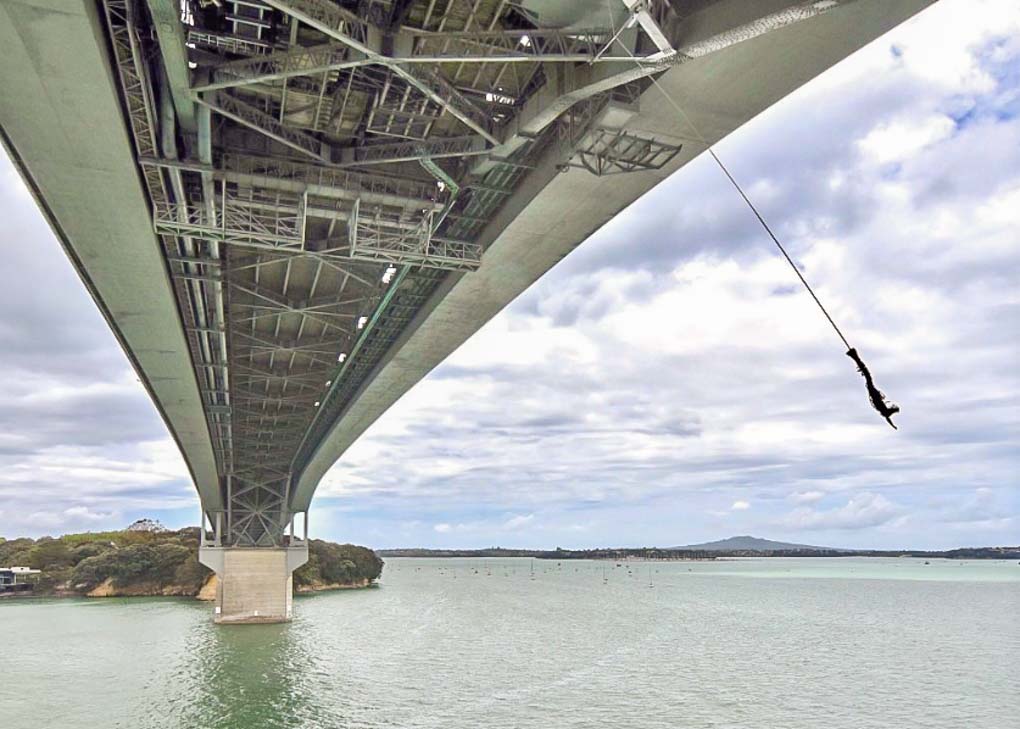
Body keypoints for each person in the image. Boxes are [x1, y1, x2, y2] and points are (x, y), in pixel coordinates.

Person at [846, 348, 899, 429]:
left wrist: (893, 425)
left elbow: (888, 419)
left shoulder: (886, 412)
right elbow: (888, 419)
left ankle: (854, 355)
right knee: (867, 374)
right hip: (873, 394)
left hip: (874, 394)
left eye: (893, 408)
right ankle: (854, 356)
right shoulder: (885, 412)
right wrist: (893, 426)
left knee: (867, 373)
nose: (892, 406)